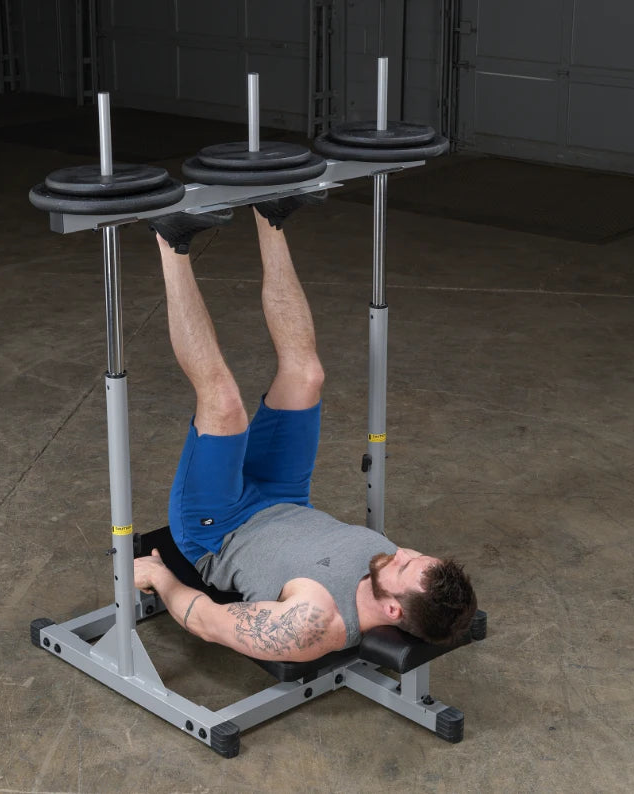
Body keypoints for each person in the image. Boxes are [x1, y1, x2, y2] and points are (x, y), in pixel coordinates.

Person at [133, 195, 477, 663]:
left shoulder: (311, 624)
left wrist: (159, 577)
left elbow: (208, 622)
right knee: (306, 375)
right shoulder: (402, 580)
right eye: (416, 554)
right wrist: (408, 565)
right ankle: (268, 216)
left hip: (218, 526)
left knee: (223, 401)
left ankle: (169, 241)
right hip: (286, 495)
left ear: (392, 609)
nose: (401, 550)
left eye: (404, 564)